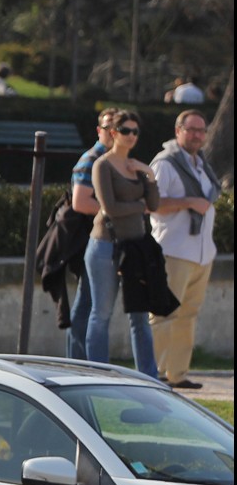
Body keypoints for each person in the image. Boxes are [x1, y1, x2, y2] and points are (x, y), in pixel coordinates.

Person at [84, 109, 161, 376]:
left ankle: (149, 377)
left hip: (135, 247)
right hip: (105, 245)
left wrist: (149, 173)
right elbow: (110, 208)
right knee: (102, 312)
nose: (131, 136)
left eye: (135, 132)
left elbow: (155, 204)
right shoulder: (102, 165)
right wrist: (139, 205)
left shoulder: (137, 168)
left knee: (140, 316)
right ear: (114, 133)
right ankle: (97, 372)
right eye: (126, 131)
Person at [149, 110, 222, 389]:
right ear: (178, 130)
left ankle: (177, 374)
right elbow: (152, 203)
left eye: (201, 131)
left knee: (188, 314)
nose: (197, 136)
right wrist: (189, 202)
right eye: (191, 130)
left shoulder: (201, 164)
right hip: (174, 249)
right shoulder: (166, 163)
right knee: (164, 313)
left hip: (202, 253)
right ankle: (151, 372)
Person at [56, 110, 120, 359]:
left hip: (103, 237)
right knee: (88, 305)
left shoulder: (115, 159)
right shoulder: (91, 159)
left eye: (119, 128)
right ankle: (79, 360)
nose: (113, 133)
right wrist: (116, 211)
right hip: (88, 238)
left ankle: (78, 360)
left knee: (88, 302)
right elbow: (80, 203)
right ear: (99, 130)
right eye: (108, 128)